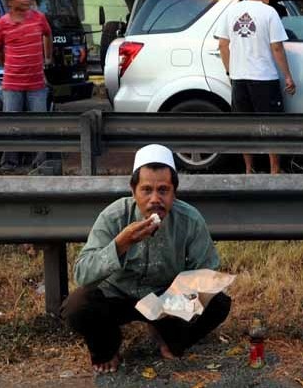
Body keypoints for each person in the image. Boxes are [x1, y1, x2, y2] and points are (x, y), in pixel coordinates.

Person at [61, 144, 231, 375]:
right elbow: (82, 273)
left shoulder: (189, 219)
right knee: (77, 306)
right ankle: (108, 346)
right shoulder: (114, 216)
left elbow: (207, 271)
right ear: (133, 191)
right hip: (117, 296)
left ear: (174, 192)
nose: (155, 199)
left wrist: (178, 299)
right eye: (146, 190)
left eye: (163, 190)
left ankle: (164, 333)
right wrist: (121, 244)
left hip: (164, 300)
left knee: (219, 303)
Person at [217, 0, 296, 174]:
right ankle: (274, 170)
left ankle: (248, 169)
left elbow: (222, 45)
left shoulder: (231, 11)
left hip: (239, 78)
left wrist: (230, 71)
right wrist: (287, 76)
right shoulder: (269, 12)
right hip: (264, 78)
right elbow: (277, 47)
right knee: (271, 125)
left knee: (244, 126)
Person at [0, 0, 53, 171]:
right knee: (11, 125)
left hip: (36, 84)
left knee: (40, 125)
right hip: (12, 83)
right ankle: (9, 163)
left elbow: (48, 34)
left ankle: (41, 163)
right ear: (10, 2)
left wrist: (47, 58)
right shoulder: (2, 24)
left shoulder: (38, 18)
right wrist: (7, 67)